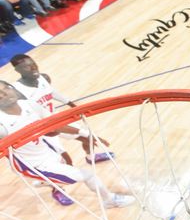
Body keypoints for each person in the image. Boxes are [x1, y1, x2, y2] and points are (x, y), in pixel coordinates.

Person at [0, 81, 133, 208]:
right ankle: (109, 200)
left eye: (5, 88)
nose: (3, 94)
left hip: (45, 149)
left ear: (12, 88)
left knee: (66, 163)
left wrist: (86, 134)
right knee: (88, 175)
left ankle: (46, 181)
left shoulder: (29, 104)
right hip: (32, 165)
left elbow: (54, 125)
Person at [10, 54, 113, 164]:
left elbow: (51, 91)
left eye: (33, 64)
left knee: (89, 140)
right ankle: (46, 179)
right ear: (18, 70)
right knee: (66, 161)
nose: (33, 67)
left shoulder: (41, 78)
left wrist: (71, 103)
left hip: (57, 120)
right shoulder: (17, 90)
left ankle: (91, 157)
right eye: (27, 66)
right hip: (43, 130)